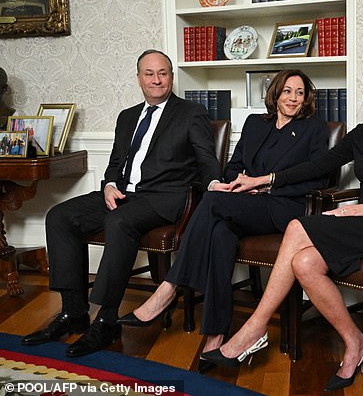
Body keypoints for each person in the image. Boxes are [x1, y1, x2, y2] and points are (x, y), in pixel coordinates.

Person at [205, 61, 363, 391]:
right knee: (304, 263)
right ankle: (356, 341)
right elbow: (316, 166)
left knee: (298, 226)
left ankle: (255, 327)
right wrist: (267, 179)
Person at [116, 69, 330, 373]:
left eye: (299, 92)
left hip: (284, 207)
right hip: (245, 204)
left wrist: (264, 185)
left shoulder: (314, 128)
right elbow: (232, 167)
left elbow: (316, 175)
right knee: (219, 235)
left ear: (306, 98)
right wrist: (237, 182)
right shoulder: (256, 124)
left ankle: (169, 287)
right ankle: (215, 335)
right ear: (275, 94)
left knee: (213, 200)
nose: (293, 98)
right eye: (287, 91)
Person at [21, 50, 222, 358]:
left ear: (171, 76)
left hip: (165, 198)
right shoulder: (127, 116)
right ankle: (73, 313)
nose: (156, 80)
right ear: (139, 78)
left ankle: (106, 319)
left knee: (120, 221)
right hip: (125, 193)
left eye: (163, 73)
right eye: (149, 74)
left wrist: (213, 185)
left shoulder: (190, 113)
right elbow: (115, 164)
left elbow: (207, 160)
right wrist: (110, 186)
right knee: (60, 215)